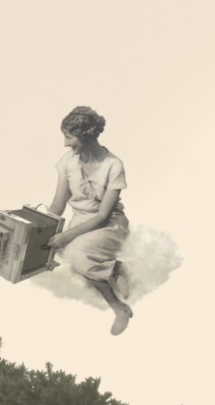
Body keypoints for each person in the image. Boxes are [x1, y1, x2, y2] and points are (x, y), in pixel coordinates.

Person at [47, 106, 133, 336]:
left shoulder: (113, 165)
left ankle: (120, 309)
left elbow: (103, 215)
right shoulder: (67, 162)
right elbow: (58, 204)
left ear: (86, 135)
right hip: (81, 221)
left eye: (69, 137)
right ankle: (114, 269)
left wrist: (66, 236)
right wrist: (39, 227)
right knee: (54, 251)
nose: (66, 144)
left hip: (110, 224)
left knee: (76, 255)